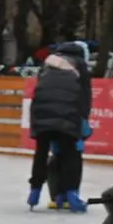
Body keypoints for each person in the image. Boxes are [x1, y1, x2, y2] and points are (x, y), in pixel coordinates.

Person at [26, 42, 93, 211]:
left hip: (41, 112)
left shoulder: (47, 64)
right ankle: (71, 195)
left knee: (41, 151)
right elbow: (84, 97)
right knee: (70, 153)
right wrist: (83, 122)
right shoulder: (80, 65)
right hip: (67, 114)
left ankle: (34, 192)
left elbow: (40, 91)